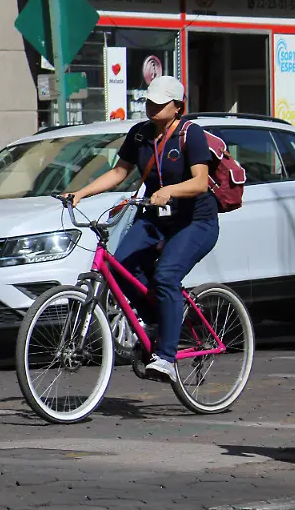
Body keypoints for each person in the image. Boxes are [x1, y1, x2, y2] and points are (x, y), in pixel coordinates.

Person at [65, 75, 219, 383]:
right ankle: (157, 323)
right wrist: (80, 193)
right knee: (121, 268)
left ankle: (166, 358)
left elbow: (200, 182)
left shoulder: (190, 134)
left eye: (160, 104)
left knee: (166, 276)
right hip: (156, 217)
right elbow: (119, 172)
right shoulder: (139, 134)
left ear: (178, 107)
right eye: (149, 102)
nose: (152, 108)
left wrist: (170, 190)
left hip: (195, 220)